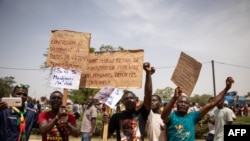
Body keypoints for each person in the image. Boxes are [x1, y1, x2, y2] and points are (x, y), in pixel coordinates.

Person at [161, 76, 234, 141]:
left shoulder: (192, 117)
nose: (183, 104)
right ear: (176, 104)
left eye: (186, 103)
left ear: (189, 106)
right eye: (180, 102)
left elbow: (211, 104)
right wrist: (174, 98)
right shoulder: (171, 116)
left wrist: (226, 89)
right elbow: (163, 116)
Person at [102, 62, 155, 141]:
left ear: (136, 100)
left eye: (131, 98)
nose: (129, 100)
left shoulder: (142, 113)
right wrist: (105, 124)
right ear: (123, 102)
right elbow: (106, 136)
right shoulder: (116, 117)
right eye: (126, 99)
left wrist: (148, 74)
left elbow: (148, 94)